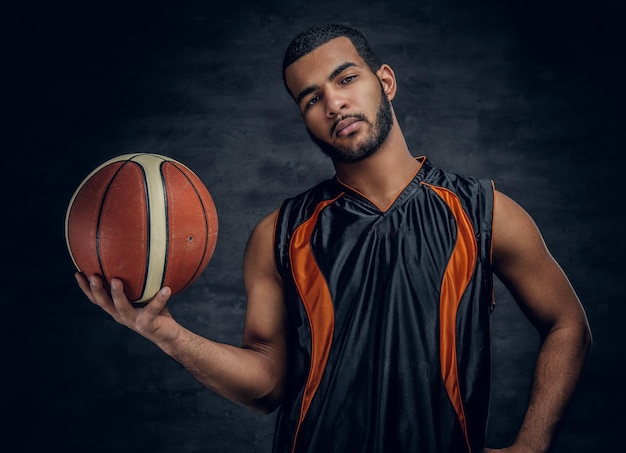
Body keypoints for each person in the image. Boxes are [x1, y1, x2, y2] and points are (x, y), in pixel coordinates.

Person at [76, 24, 592, 453]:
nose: (335, 103)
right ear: (304, 118)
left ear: (384, 80)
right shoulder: (279, 233)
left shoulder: (484, 210)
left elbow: (567, 323)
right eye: (312, 98)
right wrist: (167, 333)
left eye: (346, 79)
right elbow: (267, 385)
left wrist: (532, 445)